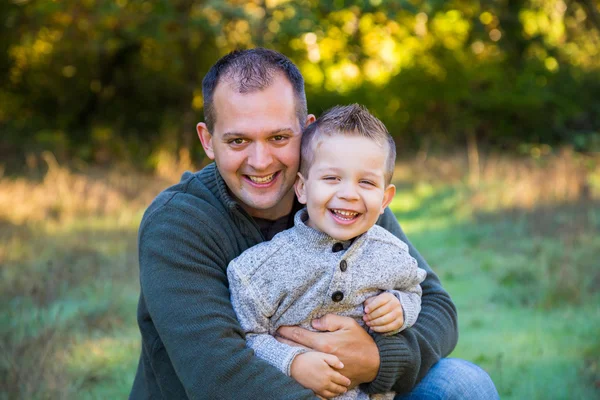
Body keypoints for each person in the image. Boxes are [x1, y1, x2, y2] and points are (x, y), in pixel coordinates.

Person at [129, 48, 498, 399]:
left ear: (305, 131)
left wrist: (375, 359)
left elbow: (437, 307)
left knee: (464, 385)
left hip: (357, 390)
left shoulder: (342, 200)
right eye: (238, 140)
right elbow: (219, 376)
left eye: (278, 137)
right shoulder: (178, 224)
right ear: (208, 141)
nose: (260, 161)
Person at [227, 104, 428, 400]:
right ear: (303, 188)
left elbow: (415, 291)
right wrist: (292, 362)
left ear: (385, 198)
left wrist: (400, 307)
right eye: (332, 178)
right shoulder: (262, 268)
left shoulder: (392, 253)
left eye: (366, 182)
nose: (348, 193)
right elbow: (246, 338)